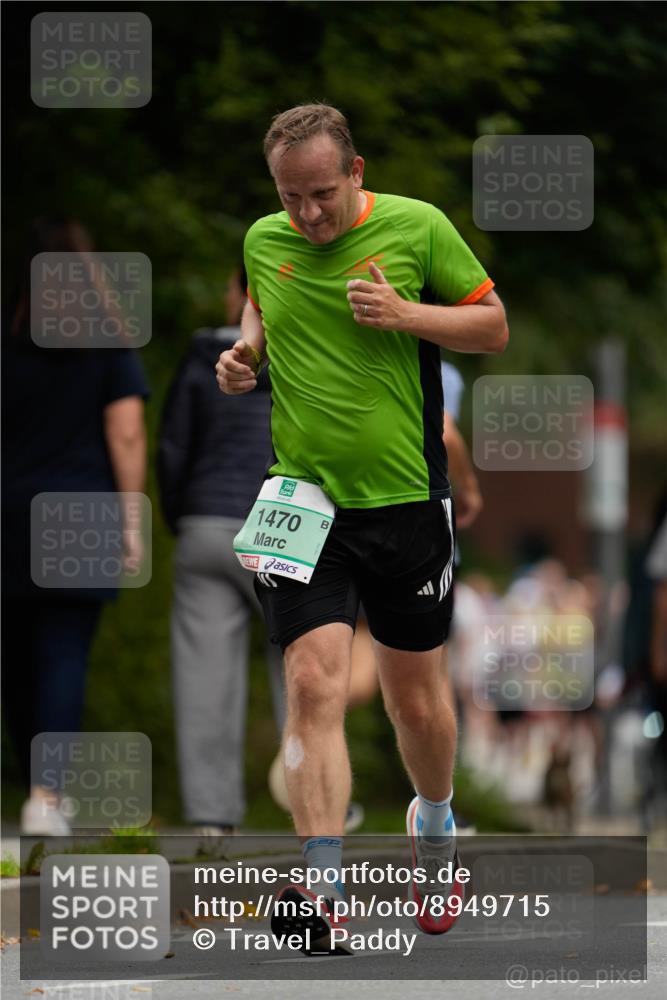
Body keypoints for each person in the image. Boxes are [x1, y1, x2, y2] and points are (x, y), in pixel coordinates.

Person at [216, 103, 508, 944]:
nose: (307, 214)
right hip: (300, 499)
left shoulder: (418, 228)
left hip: (407, 500)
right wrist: (246, 354)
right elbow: (262, 308)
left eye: (321, 194)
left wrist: (406, 314)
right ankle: (322, 887)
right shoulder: (262, 240)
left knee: (414, 701)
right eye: (290, 197)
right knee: (310, 681)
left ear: (355, 172)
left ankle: (435, 823)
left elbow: (492, 327)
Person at [1, 218, 149, 835]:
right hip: (83, 512)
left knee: (15, 660)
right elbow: (127, 433)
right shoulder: (109, 342)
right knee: (63, 654)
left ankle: (35, 788)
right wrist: (132, 519)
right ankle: (46, 796)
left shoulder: (9, 341)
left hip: (10, 514)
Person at [157, 265, 285, 834]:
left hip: (206, 524)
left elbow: (173, 445)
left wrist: (180, 513)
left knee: (204, 678)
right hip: (286, 529)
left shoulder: (202, 355)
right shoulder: (308, 351)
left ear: (241, 294)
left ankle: (212, 820)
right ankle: (317, 801)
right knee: (307, 670)